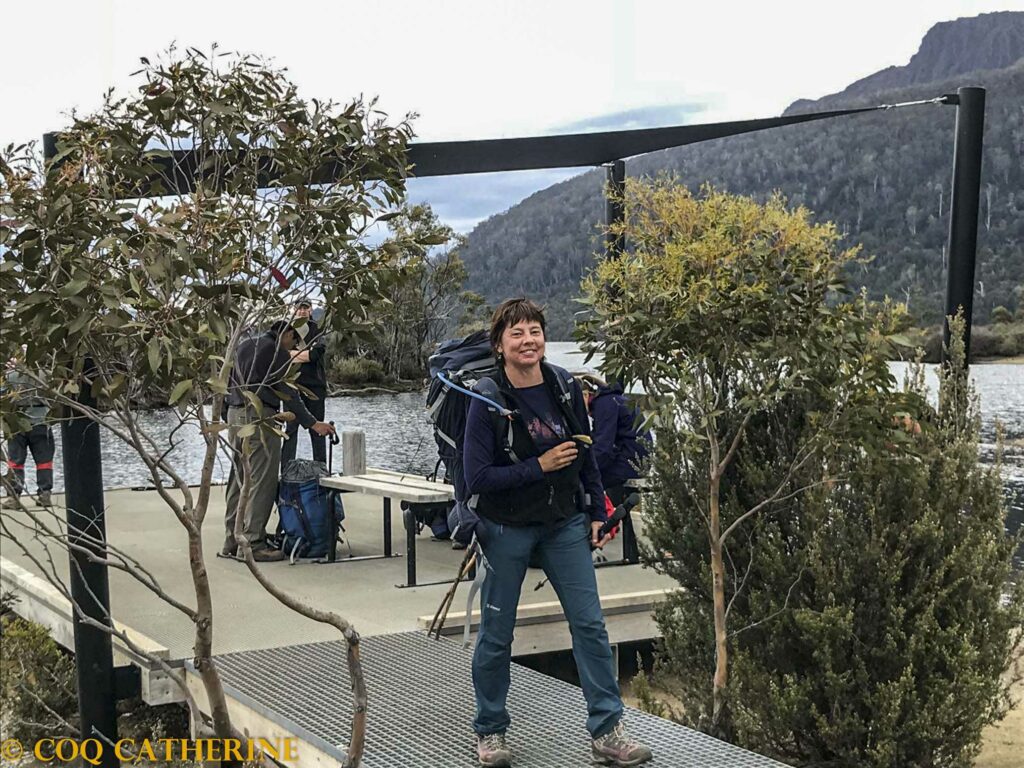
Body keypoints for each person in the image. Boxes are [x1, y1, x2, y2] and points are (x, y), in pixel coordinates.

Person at [463, 298, 653, 768]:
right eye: (517, 334)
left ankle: (608, 731)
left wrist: (594, 507)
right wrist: (538, 466)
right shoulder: (487, 399)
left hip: (564, 523)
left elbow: (586, 452)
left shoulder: (564, 385)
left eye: (535, 332)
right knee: (497, 634)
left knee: (589, 624)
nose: (528, 341)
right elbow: (477, 479)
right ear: (500, 345)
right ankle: (490, 732)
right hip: (506, 527)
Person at [222, 320, 336, 562]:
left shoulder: (244, 344)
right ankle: (253, 542)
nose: (292, 346)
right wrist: (313, 423)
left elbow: (227, 379)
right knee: (263, 479)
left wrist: (227, 413)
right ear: (285, 334)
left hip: (234, 414)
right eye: (293, 340)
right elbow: (289, 393)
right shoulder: (276, 352)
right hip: (260, 416)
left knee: (239, 477)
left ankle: (232, 540)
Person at [576, 373, 650, 563]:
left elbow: (602, 448)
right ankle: (602, 528)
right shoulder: (611, 400)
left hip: (633, 461)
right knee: (589, 478)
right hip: (634, 456)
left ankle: (594, 537)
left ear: (585, 395)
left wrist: (584, 471)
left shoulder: (605, 404)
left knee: (584, 485)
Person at [280, 299, 329, 469]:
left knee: (318, 429)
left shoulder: (317, 330)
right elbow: (278, 353)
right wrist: (304, 354)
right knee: (290, 429)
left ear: (310, 310)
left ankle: (321, 469)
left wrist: (289, 354)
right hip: (291, 387)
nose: (302, 311)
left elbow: (315, 355)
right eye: (299, 308)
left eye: (305, 308)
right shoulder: (286, 331)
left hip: (315, 387)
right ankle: (286, 470)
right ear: (293, 310)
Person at [2, 361, 54, 510]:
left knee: (15, 461)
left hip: (16, 423)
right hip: (42, 421)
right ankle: (45, 494)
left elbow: (2, 394)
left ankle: (14, 497)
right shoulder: (46, 374)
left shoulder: (9, 375)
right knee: (44, 461)